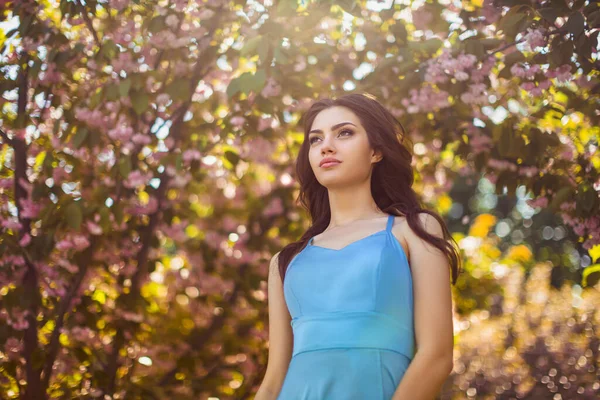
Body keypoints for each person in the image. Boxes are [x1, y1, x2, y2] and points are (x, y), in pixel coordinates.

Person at [255, 93, 460, 400]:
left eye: (345, 133)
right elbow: (273, 381)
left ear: (376, 150)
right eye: (315, 139)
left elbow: (437, 355)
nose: (326, 146)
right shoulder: (285, 262)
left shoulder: (414, 230)